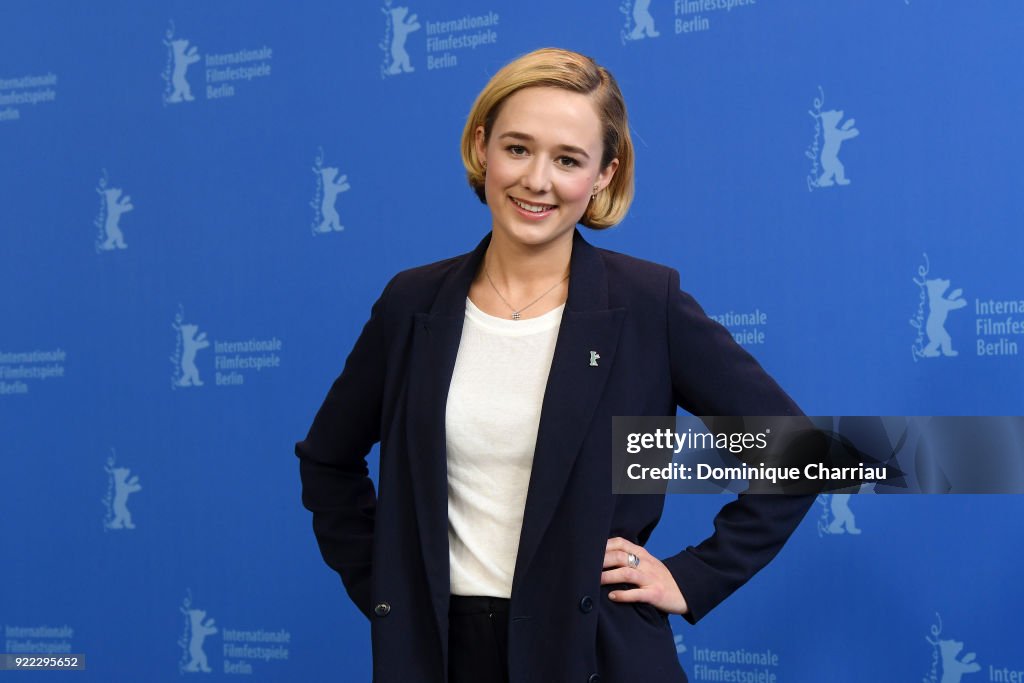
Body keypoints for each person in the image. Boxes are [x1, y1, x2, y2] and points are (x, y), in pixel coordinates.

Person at [295, 47, 813, 683]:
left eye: (567, 159)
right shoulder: (411, 303)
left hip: (595, 655)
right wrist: (387, 583)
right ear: (482, 147)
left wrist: (691, 577)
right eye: (518, 148)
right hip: (439, 656)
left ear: (602, 175)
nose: (536, 180)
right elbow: (327, 460)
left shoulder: (648, 304)